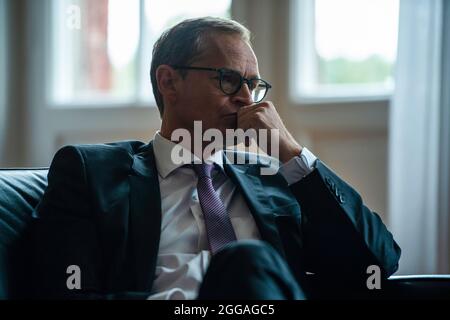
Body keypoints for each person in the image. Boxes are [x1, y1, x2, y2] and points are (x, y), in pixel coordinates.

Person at [30, 17, 401, 300]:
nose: (245, 97)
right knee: (244, 261)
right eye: (227, 79)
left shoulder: (278, 177)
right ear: (169, 82)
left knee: (248, 263)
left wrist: (291, 152)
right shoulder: (91, 173)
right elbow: (67, 288)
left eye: (252, 85)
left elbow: (376, 265)